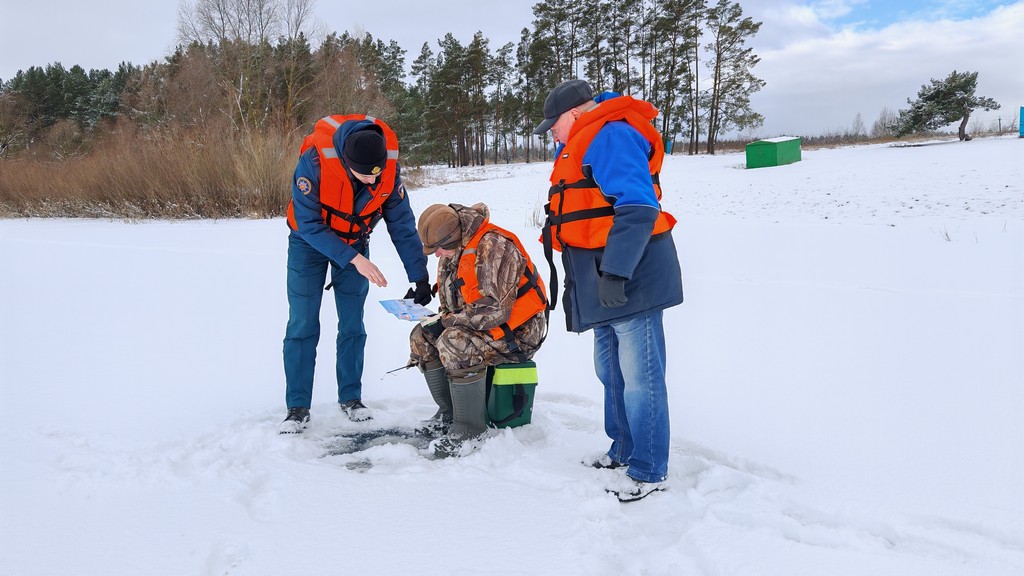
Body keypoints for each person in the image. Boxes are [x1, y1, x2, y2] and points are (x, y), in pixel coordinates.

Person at [533, 79, 683, 502]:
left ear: (576, 115)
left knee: (641, 377)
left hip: (630, 275)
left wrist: (616, 271)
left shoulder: (610, 134)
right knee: (610, 371)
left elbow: (637, 206)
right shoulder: (586, 137)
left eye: (555, 126)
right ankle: (623, 449)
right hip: (601, 277)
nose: (553, 135)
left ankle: (649, 470)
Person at [280, 114, 432, 434]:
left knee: (352, 324)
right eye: (364, 176)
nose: (372, 183)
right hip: (309, 244)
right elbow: (308, 224)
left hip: (354, 240)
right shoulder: (314, 162)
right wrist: (354, 260)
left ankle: (351, 398)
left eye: (376, 176)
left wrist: (419, 276)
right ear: (347, 163)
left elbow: (401, 224)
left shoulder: (386, 170)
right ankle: (297, 407)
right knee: (303, 323)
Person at [408, 202, 548, 457]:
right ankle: (449, 414)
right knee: (422, 335)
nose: (436, 255)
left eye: (438, 249)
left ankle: (469, 430)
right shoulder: (455, 249)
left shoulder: (493, 246)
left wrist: (448, 323)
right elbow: (456, 302)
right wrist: (425, 307)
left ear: (452, 238)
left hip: (518, 332)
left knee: (454, 342)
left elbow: (495, 310)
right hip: (482, 326)